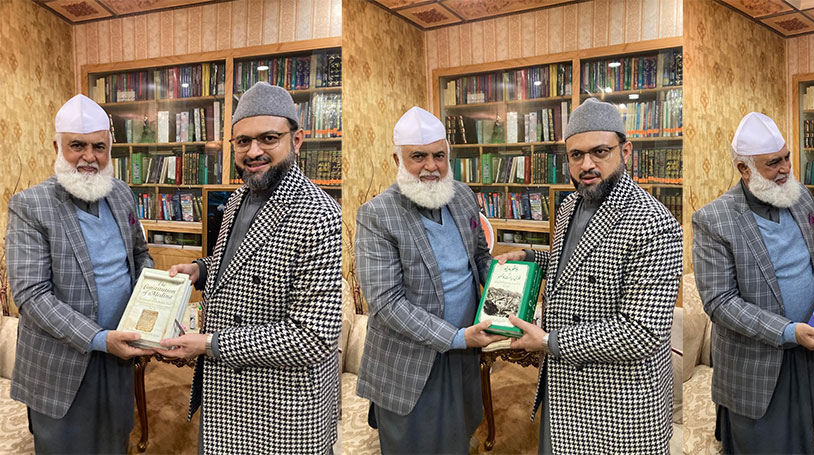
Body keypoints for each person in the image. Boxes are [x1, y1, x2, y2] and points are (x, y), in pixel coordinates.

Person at [156, 82, 344, 453]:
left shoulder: (320, 216)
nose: (253, 151)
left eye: (268, 138)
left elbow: (312, 337)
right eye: (242, 142)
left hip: (282, 413)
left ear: (297, 139)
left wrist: (209, 343)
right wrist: (202, 269)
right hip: (226, 398)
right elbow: (242, 262)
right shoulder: (239, 197)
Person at [495, 98, 683, 453]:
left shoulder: (654, 224)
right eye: (576, 155)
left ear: (625, 149)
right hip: (563, 390)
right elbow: (578, 265)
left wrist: (549, 342)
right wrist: (534, 258)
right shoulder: (570, 204)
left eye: (600, 151)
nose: (587, 165)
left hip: (616, 411)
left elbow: (640, 333)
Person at [5, 94, 154, 453]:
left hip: (118, 355)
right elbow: (31, 295)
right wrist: (100, 338)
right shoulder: (30, 205)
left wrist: (156, 303)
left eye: (99, 147)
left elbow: (139, 255)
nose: (89, 157)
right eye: (77, 146)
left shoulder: (120, 193)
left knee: (114, 440)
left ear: (110, 148)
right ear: (58, 146)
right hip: (60, 363)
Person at [354, 106, 503, 454]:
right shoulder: (376, 216)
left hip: (464, 354)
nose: (431, 166)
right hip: (411, 361)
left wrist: (504, 285)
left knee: (461, 437)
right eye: (418, 157)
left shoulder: (463, 195)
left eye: (439, 155)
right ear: (397, 158)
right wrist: (456, 337)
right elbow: (386, 304)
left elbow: (479, 258)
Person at [691, 112, 814, 454]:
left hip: (805, 352)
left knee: (804, 437)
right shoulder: (714, 219)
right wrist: (789, 331)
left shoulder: (800, 196)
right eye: (773, 163)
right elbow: (719, 302)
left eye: (786, 157)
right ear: (745, 169)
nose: (786, 168)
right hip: (754, 365)